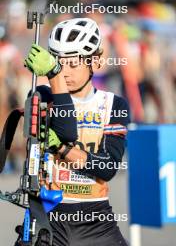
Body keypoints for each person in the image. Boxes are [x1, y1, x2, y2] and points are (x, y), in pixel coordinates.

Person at [15, 18, 130, 246]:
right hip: (48, 216)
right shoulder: (43, 95)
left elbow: (106, 168)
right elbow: (67, 131)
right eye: (58, 63)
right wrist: (53, 77)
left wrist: (60, 148)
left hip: (96, 220)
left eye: (73, 64)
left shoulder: (113, 104)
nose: (64, 72)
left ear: (95, 61)